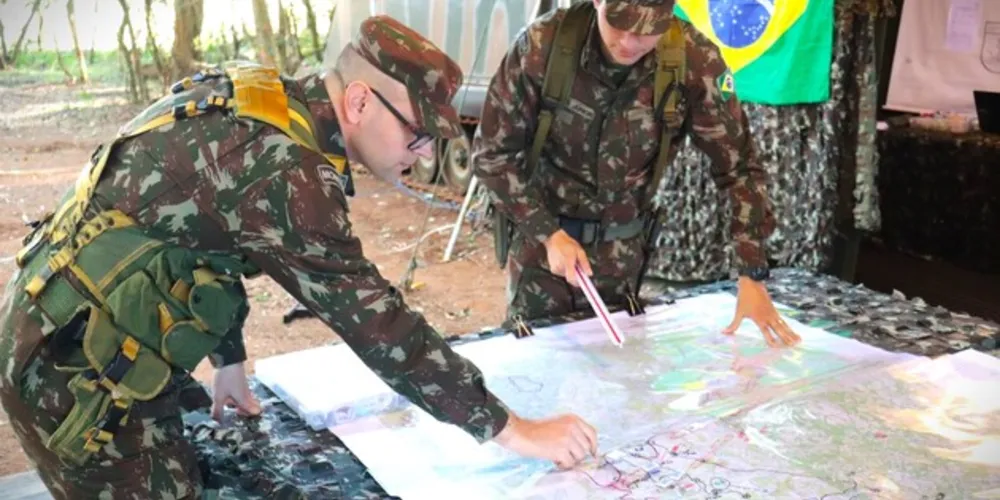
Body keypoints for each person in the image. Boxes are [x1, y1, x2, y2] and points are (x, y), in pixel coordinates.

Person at [0, 16, 597, 500]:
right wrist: (512, 429)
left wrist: (227, 358)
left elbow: (209, 242)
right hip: (70, 374)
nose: (422, 154)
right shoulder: (291, 174)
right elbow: (380, 325)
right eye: (417, 134)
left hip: (82, 329)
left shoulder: (268, 101)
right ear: (360, 102)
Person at [472, 0, 801, 347]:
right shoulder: (543, 46)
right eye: (619, 24)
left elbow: (740, 168)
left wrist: (752, 273)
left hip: (623, 262)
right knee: (538, 375)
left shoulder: (692, 58)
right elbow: (492, 156)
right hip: (542, 260)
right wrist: (549, 234)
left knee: (616, 375)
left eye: (648, 30)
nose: (629, 42)